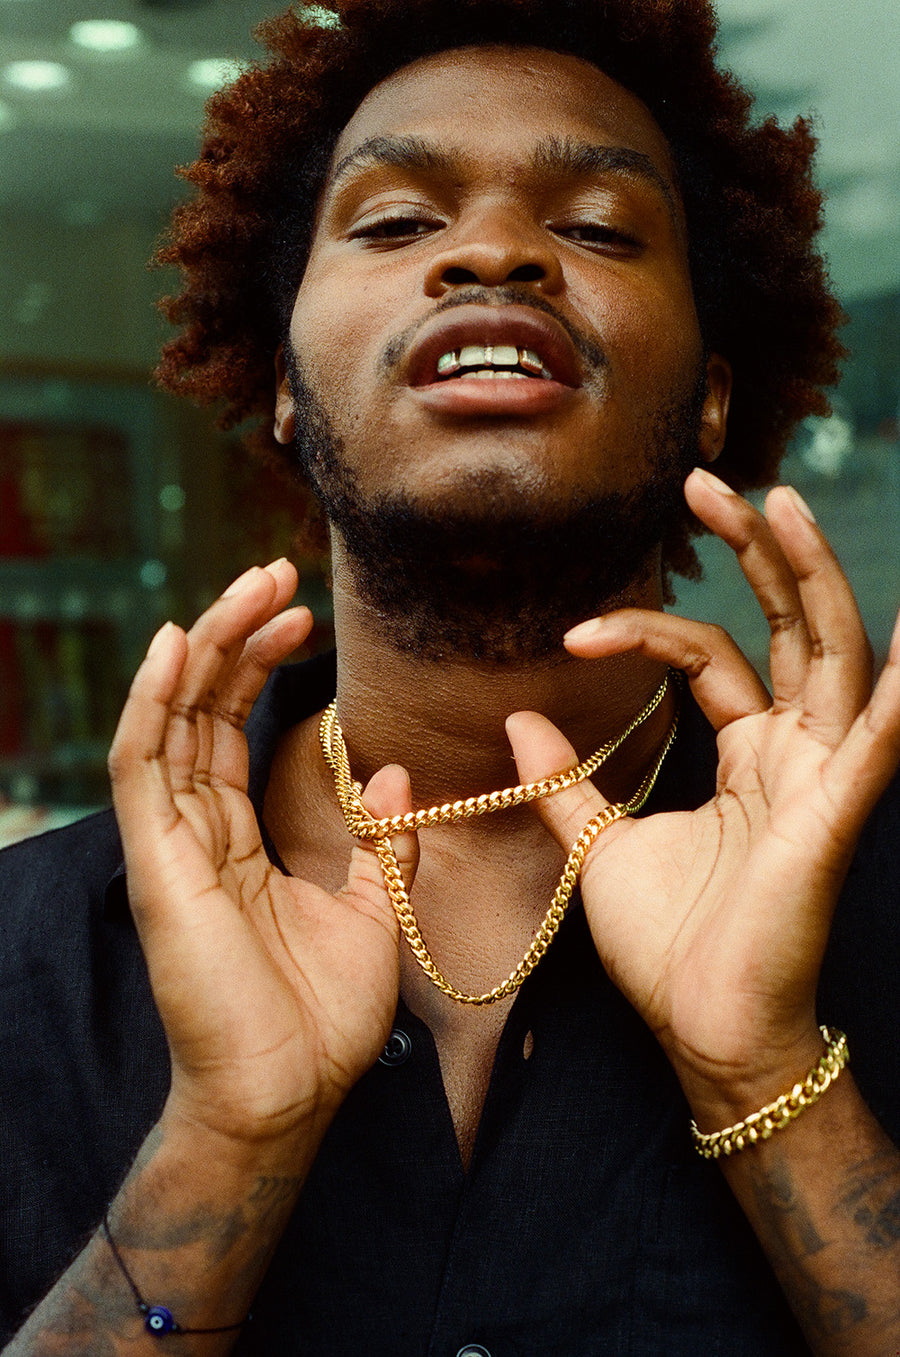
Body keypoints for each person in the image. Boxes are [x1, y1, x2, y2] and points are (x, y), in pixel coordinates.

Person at [2, 1, 900, 1352]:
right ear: (286, 386)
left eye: (597, 227)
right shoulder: (25, 954)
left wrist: (765, 1076)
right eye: (394, 222)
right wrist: (227, 1140)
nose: (492, 251)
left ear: (712, 398)